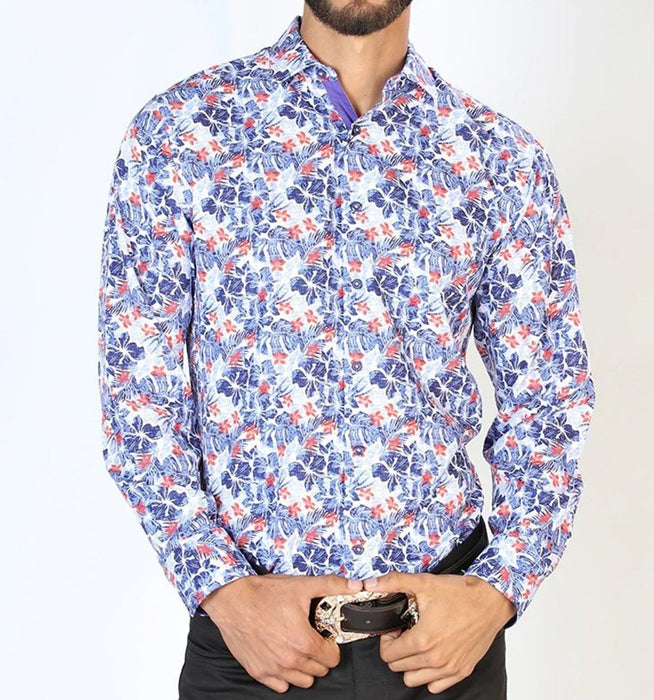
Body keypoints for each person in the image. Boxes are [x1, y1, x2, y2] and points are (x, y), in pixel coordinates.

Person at [96, 1, 597, 698]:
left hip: (440, 650)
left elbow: (549, 400)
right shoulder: (182, 132)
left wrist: (497, 590)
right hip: (250, 650)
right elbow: (139, 396)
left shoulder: (499, 159)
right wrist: (222, 589)